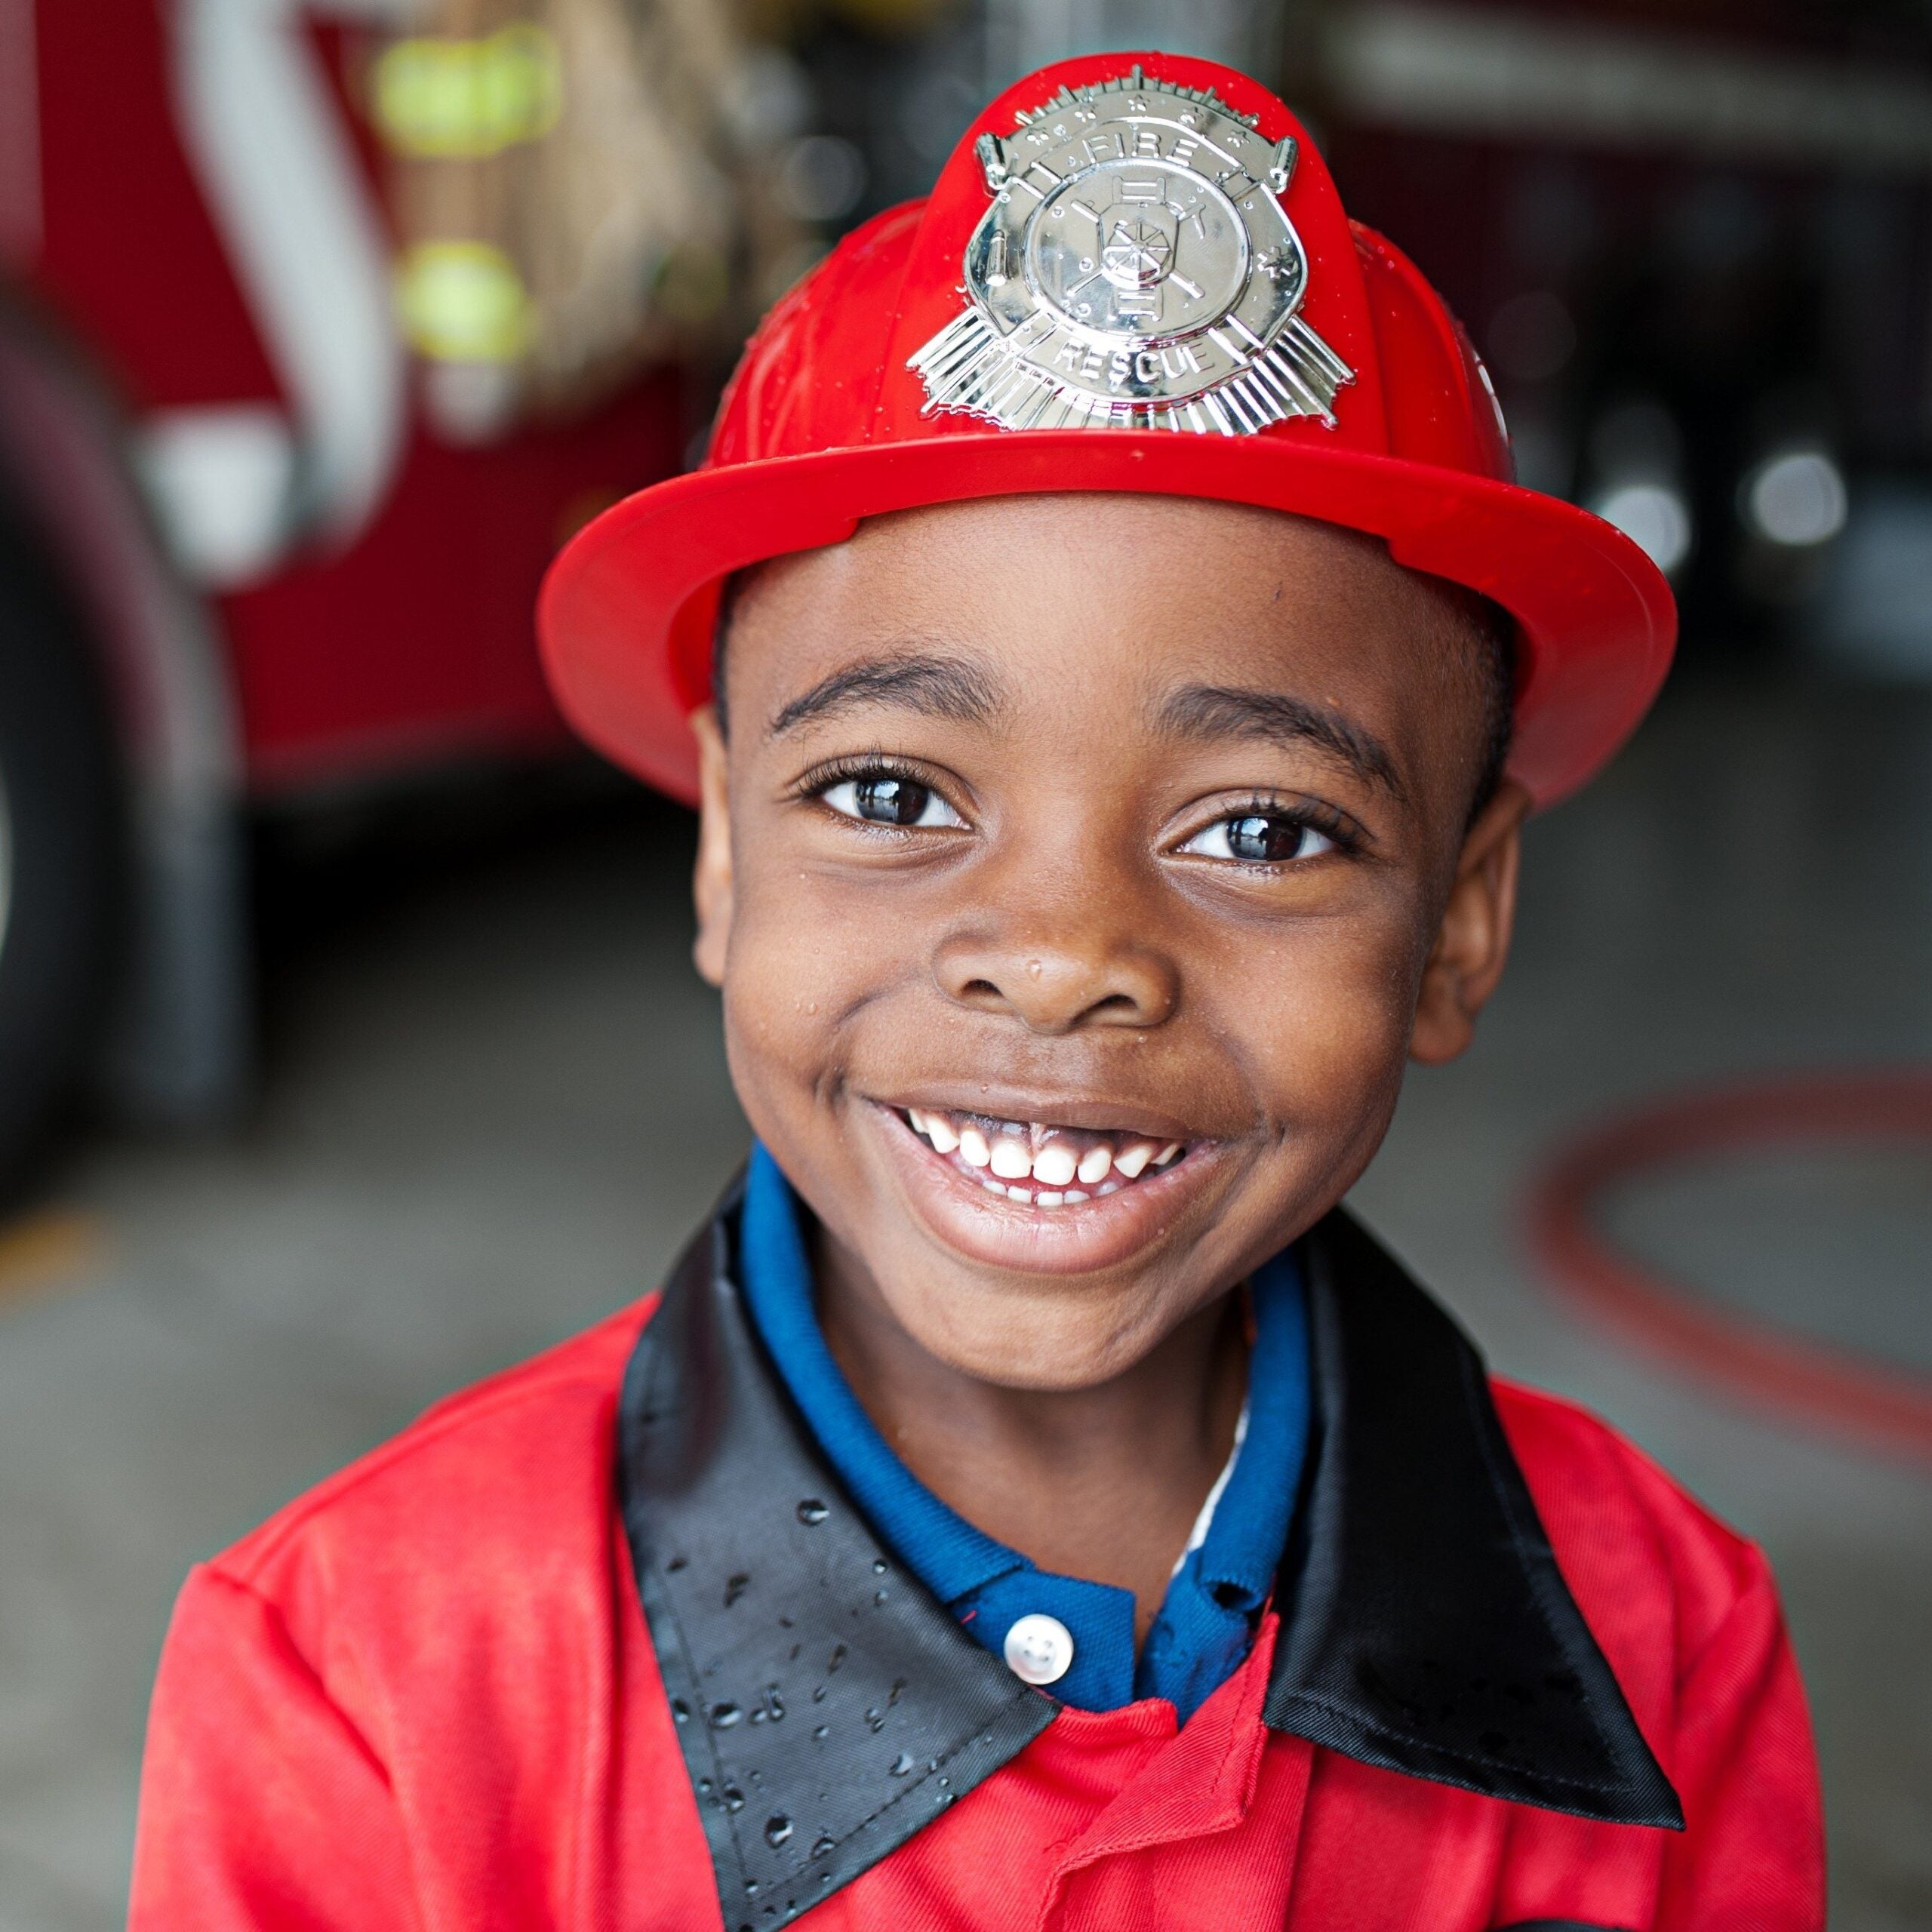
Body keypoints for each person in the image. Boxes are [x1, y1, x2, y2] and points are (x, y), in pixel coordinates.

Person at [129, 52, 1823, 1930]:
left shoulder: (1658, 1641)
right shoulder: (365, 1677)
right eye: (887, 795)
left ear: (1459, 922)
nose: (1061, 954)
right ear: (716, 852)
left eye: (1261, 831)